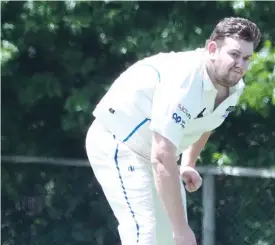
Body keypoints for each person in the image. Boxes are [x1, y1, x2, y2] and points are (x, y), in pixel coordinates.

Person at [85, 16, 261, 245]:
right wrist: (180, 230)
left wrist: (188, 163)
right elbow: (162, 155)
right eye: (234, 54)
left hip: (156, 152)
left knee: (168, 239)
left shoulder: (234, 87)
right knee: (145, 233)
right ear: (212, 49)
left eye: (247, 58)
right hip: (119, 142)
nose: (240, 64)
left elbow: (207, 122)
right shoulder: (185, 80)